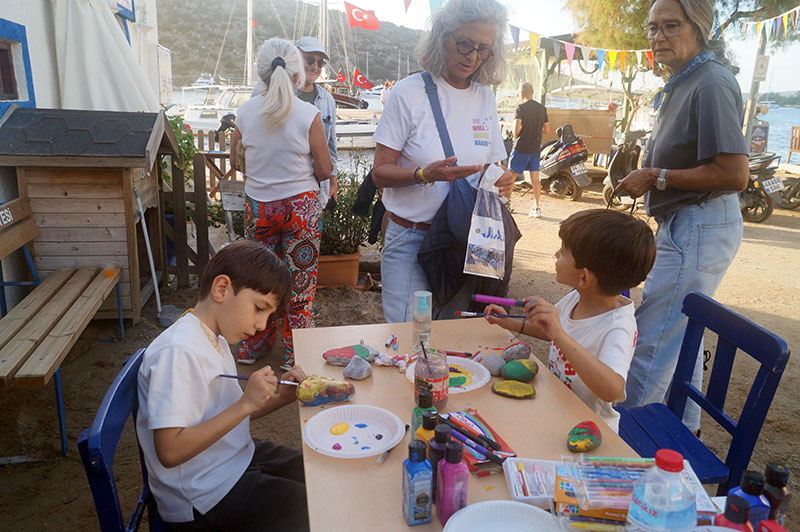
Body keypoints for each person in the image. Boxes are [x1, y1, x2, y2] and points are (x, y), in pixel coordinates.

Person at [615, 0, 748, 433]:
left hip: (700, 220)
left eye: (671, 26)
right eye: (653, 28)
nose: (658, 37)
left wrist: (656, 176)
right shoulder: (685, 79)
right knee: (681, 333)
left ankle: (624, 443)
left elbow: (734, 174)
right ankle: (685, 432)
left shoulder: (710, 82)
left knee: (653, 340)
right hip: (687, 221)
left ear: (699, 28)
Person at [136, 240, 309, 531]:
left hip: (231, 459)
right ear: (221, 289)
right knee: (315, 508)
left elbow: (225, 414)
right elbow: (170, 451)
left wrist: (281, 397)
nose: (262, 325)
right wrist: (245, 403)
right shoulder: (178, 352)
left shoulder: (211, 335)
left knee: (315, 471)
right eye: (259, 308)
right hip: (203, 495)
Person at [372, 0, 515, 323]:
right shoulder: (408, 93)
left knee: (454, 336)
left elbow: (492, 167)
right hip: (412, 239)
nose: (472, 56)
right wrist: (424, 174)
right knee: (410, 336)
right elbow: (380, 173)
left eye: (483, 49)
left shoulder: (485, 96)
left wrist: (503, 178)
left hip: (464, 241)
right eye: (464, 43)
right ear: (441, 38)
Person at [484, 210, 656, 432]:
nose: (556, 254)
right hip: (557, 408)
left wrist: (560, 335)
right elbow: (549, 330)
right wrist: (508, 322)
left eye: (563, 251)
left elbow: (612, 390)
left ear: (584, 277)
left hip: (587, 429)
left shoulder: (617, 327)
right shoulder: (578, 297)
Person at [231, 38, 333, 368]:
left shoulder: (245, 112)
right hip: (300, 210)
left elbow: (236, 160)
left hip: (259, 208)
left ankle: (255, 345)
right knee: (300, 284)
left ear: (262, 72)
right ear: (296, 74)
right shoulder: (308, 114)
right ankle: (296, 354)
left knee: (259, 280)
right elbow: (325, 169)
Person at [251, 36, 338, 208]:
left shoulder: (327, 99)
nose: (315, 67)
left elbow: (331, 146)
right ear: (294, 58)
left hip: (313, 193)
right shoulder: (264, 91)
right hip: (271, 191)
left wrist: (333, 182)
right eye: (310, 60)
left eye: (320, 63)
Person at [508, 82, 550, 218]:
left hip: (521, 147)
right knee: (535, 179)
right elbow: (547, 130)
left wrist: (517, 131)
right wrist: (535, 130)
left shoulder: (520, 108)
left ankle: (506, 205)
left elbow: (516, 131)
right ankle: (536, 208)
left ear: (522, 93)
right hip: (535, 148)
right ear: (532, 92)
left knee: (511, 177)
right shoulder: (542, 108)